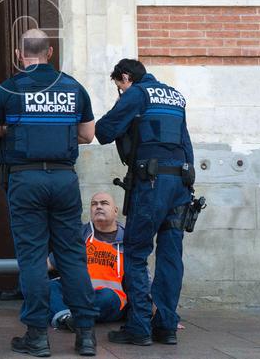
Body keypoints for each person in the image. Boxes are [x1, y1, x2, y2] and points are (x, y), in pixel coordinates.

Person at [0, 29, 99, 357]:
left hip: (25, 179)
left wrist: (17, 128)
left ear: (20, 55)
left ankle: (36, 336)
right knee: (71, 256)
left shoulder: (8, 88)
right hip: (64, 180)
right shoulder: (73, 86)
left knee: (33, 257)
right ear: (50, 53)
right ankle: (86, 335)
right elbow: (88, 135)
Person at [95, 58, 194, 347]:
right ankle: (166, 326)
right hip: (180, 184)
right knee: (171, 255)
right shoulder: (175, 95)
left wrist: (119, 109)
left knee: (136, 253)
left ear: (126, 77)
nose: (121, 92)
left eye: (119, 86)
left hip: (152, 184)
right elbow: (185, 143)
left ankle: (138, 327)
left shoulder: (138, 93)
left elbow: (103, 131)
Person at [49, 192, 126, 331]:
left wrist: (159, 314)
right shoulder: (79, 234)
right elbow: (52, 262)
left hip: (107, 300)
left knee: (108, 297)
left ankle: (70, 316)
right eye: (94, 204)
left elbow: (143, 278)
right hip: (76, 293)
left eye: (104, 203)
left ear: (115, 211)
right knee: (49, 287)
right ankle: (66, 318)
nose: (98, 207)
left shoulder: (128, 240)